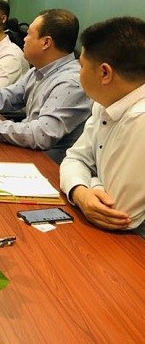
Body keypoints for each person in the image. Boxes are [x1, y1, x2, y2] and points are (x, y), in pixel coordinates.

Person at [0, 9, 92, 163]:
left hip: (47, 165)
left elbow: (41, 135)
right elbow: (9, 95)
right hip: (27, 150)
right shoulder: (38, 70)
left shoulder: (70, 83)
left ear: (46, 43)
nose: (24, 39)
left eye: (29, 34)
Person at [60, 17, 145, 232]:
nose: (78, 72)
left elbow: (116, 212)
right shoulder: (105, 101)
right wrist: (81, 192)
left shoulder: (140, 119)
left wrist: (90, 184)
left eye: (81, 65)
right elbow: (75, 158)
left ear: (105, 73)